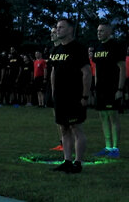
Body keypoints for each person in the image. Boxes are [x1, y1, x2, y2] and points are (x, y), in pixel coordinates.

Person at [51, 19, 91, 173]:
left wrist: (85, 96)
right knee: (63, 129)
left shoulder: (79, 48)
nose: (58, 30)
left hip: (74, 96)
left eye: (61, 27)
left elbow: (86, 73)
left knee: (76, 128)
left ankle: (78, 163)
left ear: (70, 30)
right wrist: (54, 93)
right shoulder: (56, 50)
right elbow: (54, 73)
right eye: (57, 27)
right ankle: (67, 160)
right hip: (59, 97)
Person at [93, 23, 126, 158]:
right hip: (100, 88)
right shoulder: (98, 47)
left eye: (102, 31)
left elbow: (122, 68)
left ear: (109, 31)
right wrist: (95, 86)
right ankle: (107, 146)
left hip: (112, 88)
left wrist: (120, 88)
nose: (99, 33)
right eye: (98, 30)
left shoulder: (116, 46)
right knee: (103, 117)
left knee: (113, 117)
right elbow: (97, 68)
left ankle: (115, 149)